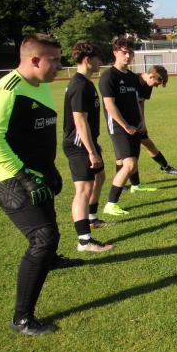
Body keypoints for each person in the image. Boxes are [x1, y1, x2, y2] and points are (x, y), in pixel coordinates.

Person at [0, 34, 82, 336]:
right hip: (5, 174)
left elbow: (36, 135)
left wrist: (48, 169)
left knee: (48, 224)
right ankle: (22, 319)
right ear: (34, 60)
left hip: (35, 171)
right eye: (54, 60)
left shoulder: (41, 86)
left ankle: (50, 261)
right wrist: (25, 178)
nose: (59, 65)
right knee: (43, 237)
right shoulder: (7, 90)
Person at [62, 42, 113, 253]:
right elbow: (79, 121)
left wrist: (94, 145)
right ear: (87, 60)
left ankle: (91, 219)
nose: (100, 62)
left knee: (100, 177)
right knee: (83, 190)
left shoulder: (86, 83)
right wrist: (91, 151)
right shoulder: (79, 86)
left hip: (88, 142)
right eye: (97, 58)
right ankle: (84, 240)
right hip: (79, 145)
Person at [99, 38, 144, 216]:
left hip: (134, 126)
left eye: (130, 52)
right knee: (129, 164)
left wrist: (141, 121)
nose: (128, 56)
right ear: (115, 53)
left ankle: (135, 186)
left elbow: (136, 101)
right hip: (119, 127)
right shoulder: (109, 76)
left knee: (132, 163)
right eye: (124, 52)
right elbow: (109, 105)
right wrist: (125, 126)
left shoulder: (132, 77)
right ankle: (110, 204)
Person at [136, 65, 177, 176]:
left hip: (137, 122)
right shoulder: (132, 80)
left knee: (148, 144)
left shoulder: (148, 85)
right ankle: (127, 182)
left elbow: (141, 102)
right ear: (151, 76)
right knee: (129, 155)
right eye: (157, 83)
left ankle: (166, 167)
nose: (157, 86)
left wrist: (143, 122)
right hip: (124, 122)